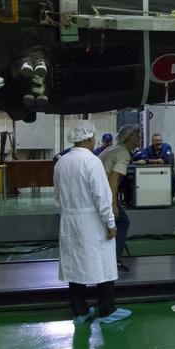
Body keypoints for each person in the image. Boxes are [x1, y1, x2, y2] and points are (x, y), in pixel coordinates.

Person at [56, 122, 130, 324]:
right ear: (89, 139)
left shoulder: (61, 162)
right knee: (103, 264)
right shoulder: (92, 162)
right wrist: (110, 223)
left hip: (69, 219)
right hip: (92, 220)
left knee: (75, 266)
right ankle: (107, 310)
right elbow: (101, 196)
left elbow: (57, 197)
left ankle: (80, 310)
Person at [101, 123, 142, 271]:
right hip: (103, 193)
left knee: (113, 224)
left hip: (99, 191)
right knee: (122, 222)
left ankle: (109, 257)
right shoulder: (123, 153)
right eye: (137, 135)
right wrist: (114, 205)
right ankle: (114, 260)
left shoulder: (114, 149)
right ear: (129, 137)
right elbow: (113, 178)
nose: (140, 137)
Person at [134, 132, 175, 201]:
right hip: (152, 172)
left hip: (166, 172)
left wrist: (150, 161)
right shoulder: (148, 149)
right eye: (156, 141)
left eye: (160, 140)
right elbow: (143, 159)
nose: (158, 142)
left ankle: (171, 197)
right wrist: (156, 161)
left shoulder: (166, 147)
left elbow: (166, 160)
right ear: (152, 142)